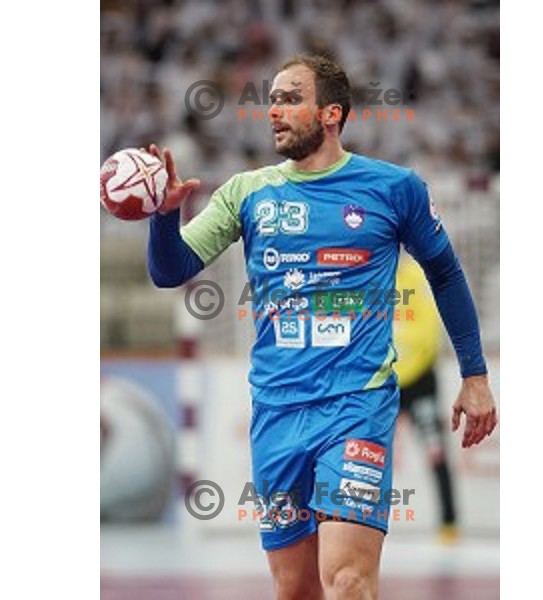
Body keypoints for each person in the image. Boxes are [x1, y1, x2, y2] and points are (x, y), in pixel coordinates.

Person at [146, 54, 497, 600]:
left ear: (331, 113)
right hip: (277, 414)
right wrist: (165, 218)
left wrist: (474, 375)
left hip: (357, 407)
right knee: (297, 590)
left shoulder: (392, 188)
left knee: (348, 580)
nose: (274, 111)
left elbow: (446, 273)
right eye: (272, 99)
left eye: (290, 98)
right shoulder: (246, 192)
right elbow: (170, 270)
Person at [393, 256, 459, 544]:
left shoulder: (413, 277)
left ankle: (449, 522)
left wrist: (408, 359)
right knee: (362, 454)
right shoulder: (364, 275)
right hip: (383, 381)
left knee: (436, 452)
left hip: (419, 380)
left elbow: (429, 328)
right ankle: (356, 523)